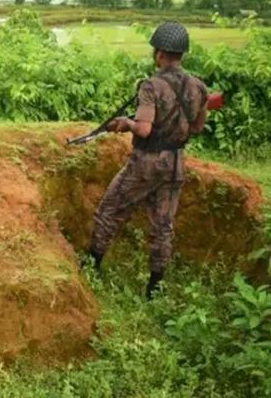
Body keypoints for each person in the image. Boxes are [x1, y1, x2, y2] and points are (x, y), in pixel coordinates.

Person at [88, 22, 208, 299]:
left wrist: (126, 123)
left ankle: (91, 267)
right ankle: (155, 288)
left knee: (109, 210)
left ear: (158, 54)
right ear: (182, 54)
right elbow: (198, 126)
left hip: (146, 162)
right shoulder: (198, 87)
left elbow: (143, 128)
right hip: (176, 163)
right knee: (162, 226)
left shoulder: (151, 86)